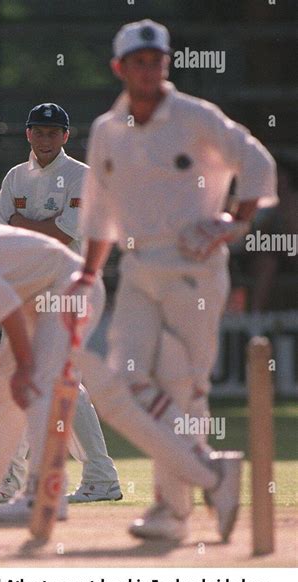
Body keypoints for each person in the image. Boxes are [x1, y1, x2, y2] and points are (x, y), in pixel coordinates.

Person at [0, 188, 245, 542]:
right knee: (2, 390)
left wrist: (23, 366)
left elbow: (4, 304)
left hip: (68, 287)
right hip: (36, 298)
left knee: (38, 383)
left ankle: (44, 494)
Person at [66, 19, 277, 541]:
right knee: (122, 383)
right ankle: (211, 472)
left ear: (166, 63)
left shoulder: (193, 116)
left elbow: (256, 161)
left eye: (157, 60)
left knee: (183, 385)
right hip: (137, 268)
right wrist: (87, 274)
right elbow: (99, 213)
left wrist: (234, 221)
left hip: (193, 267)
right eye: (138, 62)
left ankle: (171, 511)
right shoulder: (108, 130)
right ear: (120, 68)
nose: (149, 69)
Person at [0, 102, 121, 504]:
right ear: (28, 134)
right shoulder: (15, 177)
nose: (45, 139)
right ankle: (12, 482)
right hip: (26, 290)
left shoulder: (82, 177)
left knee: (60, 379)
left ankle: (98, 476)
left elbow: (60, 237)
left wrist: (21, 225)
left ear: (66, 136)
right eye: (38, 131)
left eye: (53, 133)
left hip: (68, 287)